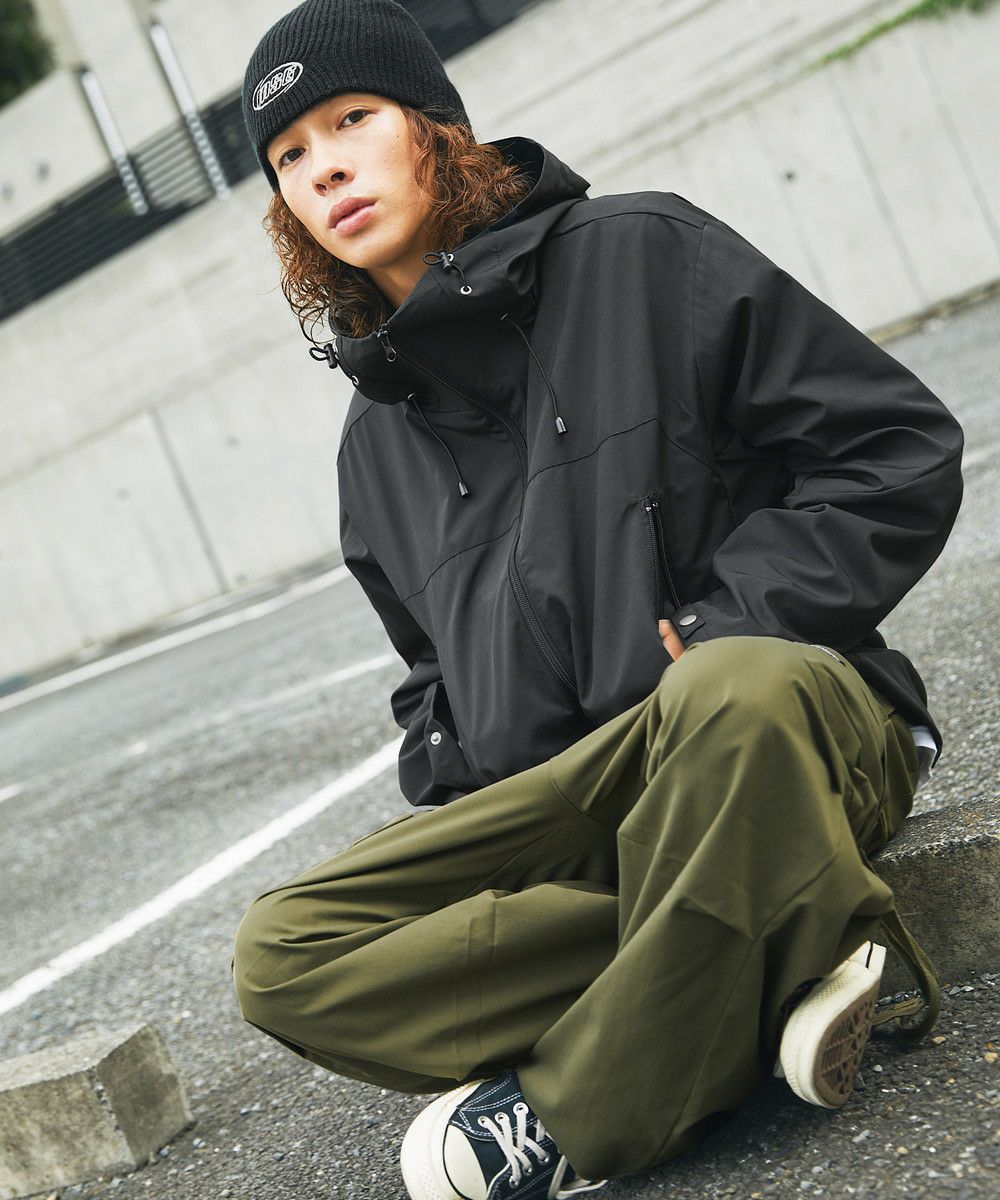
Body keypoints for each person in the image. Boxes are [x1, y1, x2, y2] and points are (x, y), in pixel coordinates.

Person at [230, 1, 965, 1195]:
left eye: (352, 119)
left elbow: (892, 450)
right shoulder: (371, 451)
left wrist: (727, 618)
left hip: (767, 723)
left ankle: (571, 1115)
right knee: (284, 952)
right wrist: (463, 776)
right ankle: (800, 926)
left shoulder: (641, 253)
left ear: (435, 127)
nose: (325, 168)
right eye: (289, 157)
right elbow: (427, 681)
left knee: (733, 690)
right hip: (580, 810)